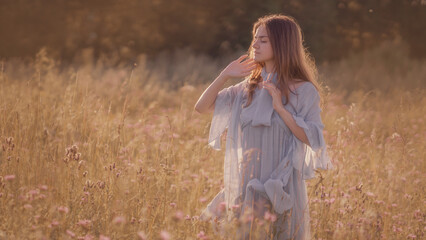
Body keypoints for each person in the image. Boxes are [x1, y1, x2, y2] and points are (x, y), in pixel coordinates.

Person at [194, 14, 333, 240]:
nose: (255, 45)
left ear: (282, 43)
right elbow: (202, 107)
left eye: (263, 40)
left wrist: (280, 108)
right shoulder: (246, 88)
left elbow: (313, 138)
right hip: (246, 186)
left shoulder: (304, 90)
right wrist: (224, 75)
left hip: (282, 187)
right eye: (254, 39)